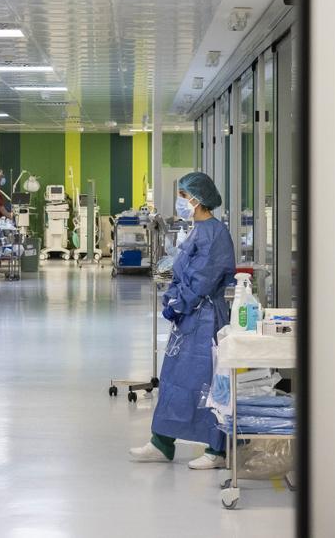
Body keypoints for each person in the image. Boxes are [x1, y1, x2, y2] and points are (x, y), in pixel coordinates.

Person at [129, 172, 236, 470]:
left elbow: (203, 278)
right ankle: (161, 443)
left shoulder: (215, 233)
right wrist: (174, 297)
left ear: (197, 199)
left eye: (184, 196)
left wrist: (181, 301)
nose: (181, 202)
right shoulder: (195, 230)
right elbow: (183, 268)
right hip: (188, 320)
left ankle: (217, 451)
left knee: (207, 383)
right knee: (175, 380)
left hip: (205, 320)